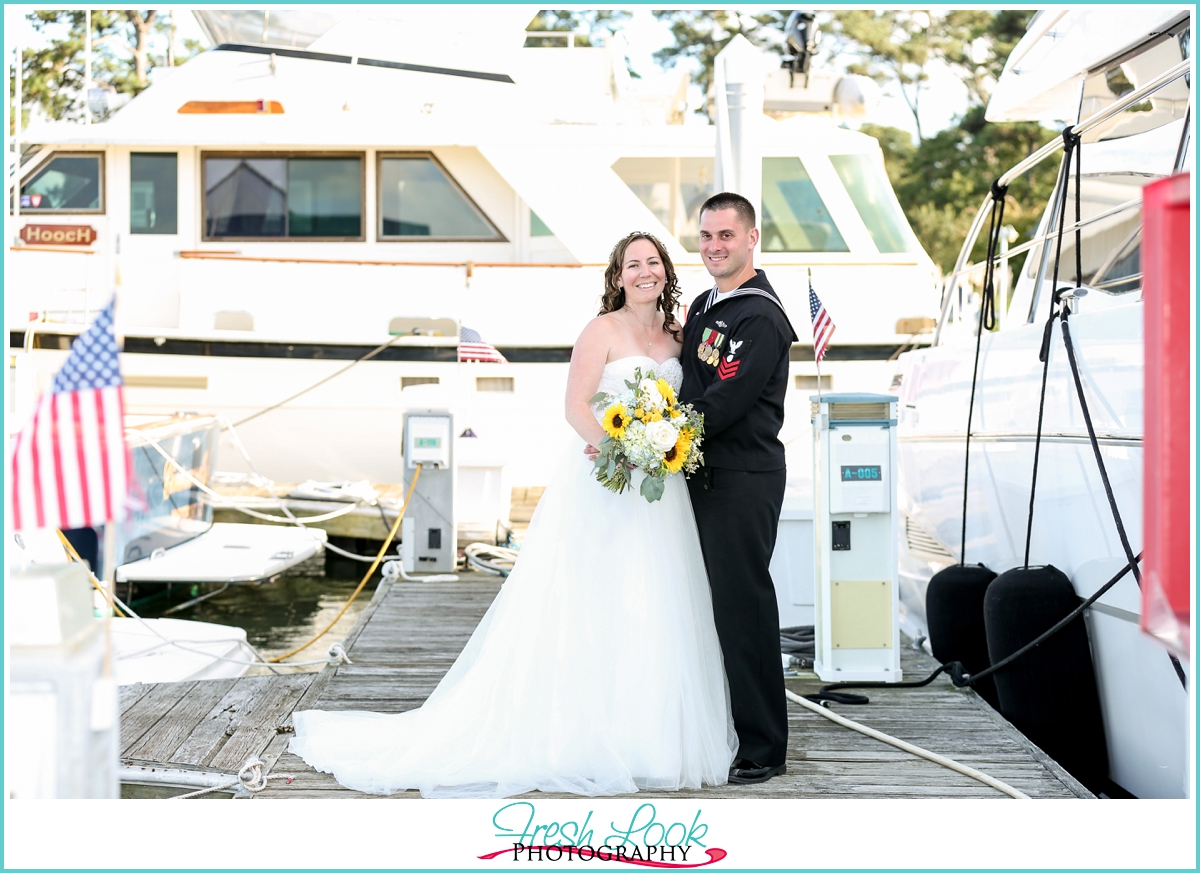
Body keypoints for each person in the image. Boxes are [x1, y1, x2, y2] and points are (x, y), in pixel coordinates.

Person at [289, 232, 737, 798]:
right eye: (633, 265)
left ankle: (652, 740)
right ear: (618, 276)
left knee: (658, 598)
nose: (644, 272)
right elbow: (575, 405)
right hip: (608, 478)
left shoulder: (678, 335)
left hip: (661, 486)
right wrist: (620, 446)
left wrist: (662, 442)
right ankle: (584, 735)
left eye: (653, 263)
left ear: (666, 272)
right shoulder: (601, 330)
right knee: (596, 599)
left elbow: (688, 402)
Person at [680, 192, 798, 785]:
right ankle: (725, 727)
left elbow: (724, 401)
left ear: (752, 238)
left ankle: (763, 746)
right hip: (700, 474)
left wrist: (660, 435)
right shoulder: (705, 303)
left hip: (743, 478)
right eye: (705, 236)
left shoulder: (761, 316)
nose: (713, 247)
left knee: (743, 608)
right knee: (708, 607)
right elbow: (688, 377)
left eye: (725, 235)